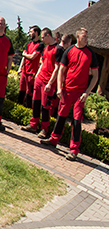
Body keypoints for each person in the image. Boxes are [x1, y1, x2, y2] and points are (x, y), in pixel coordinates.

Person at [41, 28, 100, 160]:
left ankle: (74, 150)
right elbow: (61, 70)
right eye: (84, 36)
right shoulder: (69, 51)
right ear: (78, 37)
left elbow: (95, 76)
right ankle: (53, 140)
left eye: (87, 36)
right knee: (61, 116)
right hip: (67, 90)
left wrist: (87, 92)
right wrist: (59, 88)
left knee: (76, 121)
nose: (86, 38)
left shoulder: (91, 54)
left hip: (80, 93)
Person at [22, 28, 59, 136]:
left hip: (48, 82)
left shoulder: (58, 49)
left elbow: (57, 68)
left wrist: (50, 83)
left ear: (48, 35)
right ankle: (33, 125)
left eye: (43, 37)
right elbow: (42, 63)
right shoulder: (46, 48)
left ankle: (44, 129)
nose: (42, 39)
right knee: (36, 102)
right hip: (39, 78)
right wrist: (37, 76)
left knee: (45, 106)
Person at [17, 25, 43, 107]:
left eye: (31, 32)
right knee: (21, 90)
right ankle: (19, 106)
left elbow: (32, 57)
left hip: (32, 72)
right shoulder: (28, 43)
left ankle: (28, 109)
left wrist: (25, 54)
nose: (30, 34)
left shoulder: (40, 44)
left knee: (29, 92)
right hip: (24, 70)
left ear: (36, 33)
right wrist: (20, 68)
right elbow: (24, 57)